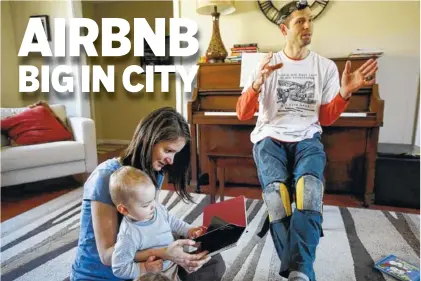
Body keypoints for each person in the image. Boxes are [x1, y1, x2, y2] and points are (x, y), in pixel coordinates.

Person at [236, 1, 378, 281]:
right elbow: (242, 113)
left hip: (307, 139)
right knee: (277, 196)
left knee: (309, 190)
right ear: (284, 28)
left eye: (310, 20)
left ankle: (297, 271)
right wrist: (257, 85)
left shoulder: (324, 67)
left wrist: (345, 94)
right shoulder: (264, 62)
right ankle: (301, 270)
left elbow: (325, 117)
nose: (307, 26)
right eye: (300, 21)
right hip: (269, 139)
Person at [70, 107, 226, 281]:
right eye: (168, 151)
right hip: (106, 274)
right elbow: (107, 257)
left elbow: (153, 222)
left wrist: (189, 236)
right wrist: (164, 253)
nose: (171, 161)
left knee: (212, 261)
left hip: (147, 262)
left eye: (176, 153)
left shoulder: (153, 172)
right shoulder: (105, 177)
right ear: (147, 139)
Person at [109, 166, 207, 281]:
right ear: (124, 210)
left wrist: (189, 230)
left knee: (211, 261)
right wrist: (144, 267)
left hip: (173, 263)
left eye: (153, 199)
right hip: (152, 275)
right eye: (146, 205)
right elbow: (119, 268)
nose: (153, 206)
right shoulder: (128, 235)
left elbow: (173, 222)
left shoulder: (157, 209)